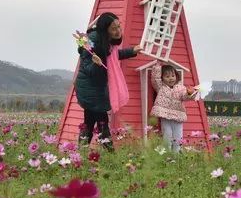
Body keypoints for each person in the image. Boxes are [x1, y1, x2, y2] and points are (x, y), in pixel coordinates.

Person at [75, 12, 141, 148]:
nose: (118, 31)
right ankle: (109, 154)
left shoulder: (107, 42)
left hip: (98, 88)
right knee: (102, 121)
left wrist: (132, 51)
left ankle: (80, 152)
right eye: (113, 28)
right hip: (90, 89)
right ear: (105, 30)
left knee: (89, 121)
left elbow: (113, 55)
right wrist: (96, 64)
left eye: (118, 26)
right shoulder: (92, 42)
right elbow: (88, 69)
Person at [150, 62, 195, 153]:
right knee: (167, 137)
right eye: (167, 76)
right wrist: (158, 65)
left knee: (178, 139)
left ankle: (176, 157)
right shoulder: (161, 87)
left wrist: (189, 93)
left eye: (172, 76)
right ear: (162, 78)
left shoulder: (180, 88)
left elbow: (184, 96)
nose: (170, 78)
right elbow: (155, 79)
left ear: (176, 76)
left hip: (178, 117)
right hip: (166, 117)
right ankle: (168, 157)